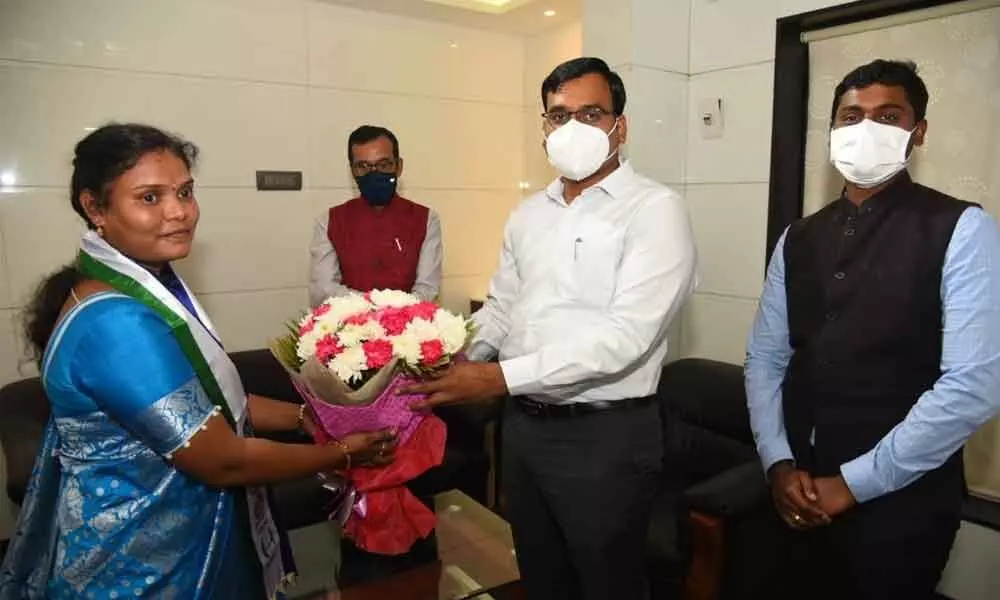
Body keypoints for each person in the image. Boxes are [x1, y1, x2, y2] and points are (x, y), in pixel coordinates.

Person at [0, 124, 397, 599]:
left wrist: (305, 417)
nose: (179, 212)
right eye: (150, 198)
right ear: (95, 208)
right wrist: (344, 452)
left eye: (185, 192)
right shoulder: (115, 322)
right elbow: (223, 460)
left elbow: (208, 396)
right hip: (143, 565)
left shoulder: (144, 284)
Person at [405, 57, 698, 600]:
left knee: (608, 585)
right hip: (524, 430)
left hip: (604, 437)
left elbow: (625, 340)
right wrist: (449, 353)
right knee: (541, 579)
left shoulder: (655, 210)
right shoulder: (528, 215)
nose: (573, 129)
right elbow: (502, 308)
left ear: (620, 126)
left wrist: (496, 379)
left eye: (591, 113)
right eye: (559, 116)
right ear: (544, 127)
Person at [745, 59, 1000, 600]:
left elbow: (973, 385)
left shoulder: (962, 228)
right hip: (796, 491)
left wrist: (852, 484)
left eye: (888, 116)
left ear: (918, 132)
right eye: (851, 116)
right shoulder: (798, 237)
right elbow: (766, 359)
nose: (866, 130)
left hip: (902, 508)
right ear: (834, 130)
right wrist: (778, 463)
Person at [309, 125, 442, 306]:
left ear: (399, 166)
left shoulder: (427, 220)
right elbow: (324, 291)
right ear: (353, 171)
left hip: (410, 330)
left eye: (383, 165)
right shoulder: (328, 222)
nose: (374, 173)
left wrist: (389, 316)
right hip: (349, 330)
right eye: (363, 166)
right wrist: (374, 312)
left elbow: (427, 290)